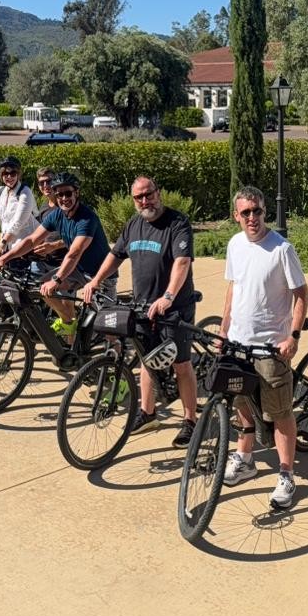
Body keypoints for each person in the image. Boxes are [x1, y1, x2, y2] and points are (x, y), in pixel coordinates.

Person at [78, 175, 201, 447]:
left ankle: (190, 420)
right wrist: (95, 281)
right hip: (143, 305)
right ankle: (148, 412)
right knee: (146, 358)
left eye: (149, 194)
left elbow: (182, 263)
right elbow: (114, 256)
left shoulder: (177, 223)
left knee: (181, 364)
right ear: (133, 200)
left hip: (174, 308)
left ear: (158, 192)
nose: (145, 201)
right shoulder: (133, 225)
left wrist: (169, 296)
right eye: (139, 197)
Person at [219, 185, 308, 511]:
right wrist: (224, 327)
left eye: (257, 211)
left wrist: (293, 336)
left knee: (279, 413)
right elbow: (234, 287)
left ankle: (286, 474)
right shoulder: (234, 244)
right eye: (246, 213)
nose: (252, 218)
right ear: (237, 216)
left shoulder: (281, 249)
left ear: (264, 212)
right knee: (242, 402)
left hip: (271, 347)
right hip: (239, 343)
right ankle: (245, 459)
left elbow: (301, 294)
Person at [0, 171, 112, 337]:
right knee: (43, 286)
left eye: (67, 193)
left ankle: (116, 350)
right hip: (77, 270)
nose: (63, 198)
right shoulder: (57, 215)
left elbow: (74, 252)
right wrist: (4, 258)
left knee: (107, 327)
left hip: (99, 273)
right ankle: (69, 322)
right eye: (59, 194)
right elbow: (32, 240)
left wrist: (57, 279)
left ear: (77, 192)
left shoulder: (87, 218)